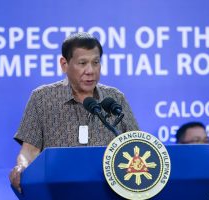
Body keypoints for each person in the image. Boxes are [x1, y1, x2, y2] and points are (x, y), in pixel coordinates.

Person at [9, 32, 139, 193]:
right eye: (82, 63)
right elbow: (30, 150)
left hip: (109, 192)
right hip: (58, 191)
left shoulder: (115, 99)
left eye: (96, 62)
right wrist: (21, 167)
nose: (90, 70)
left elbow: (136, 146)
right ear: (64, 64)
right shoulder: (42, 98)